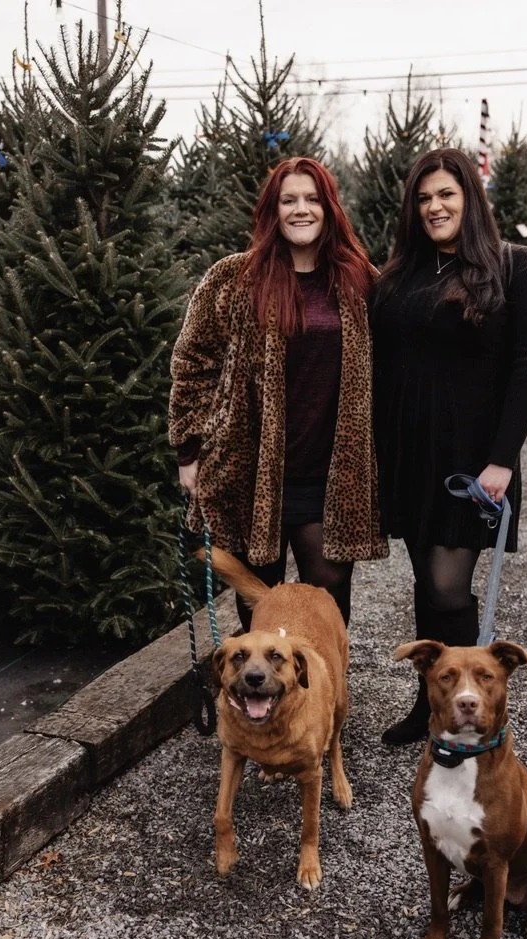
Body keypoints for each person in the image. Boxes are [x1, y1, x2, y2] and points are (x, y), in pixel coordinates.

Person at [372, 148, 527, 745]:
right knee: (426, 583)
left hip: (473, 461)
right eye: (424, 198)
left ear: (470, 200)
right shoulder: (401, 274)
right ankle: (432, 706)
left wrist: (502, 459)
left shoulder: (516, 268)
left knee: (449, 586)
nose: (434, 207)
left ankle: (470, 708)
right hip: (409, 454)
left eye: (446, 195)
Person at [168, 157, 387, 630]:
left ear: (329, 209)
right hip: (250, 476)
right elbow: (192, 361)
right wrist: (189, 451)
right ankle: (262, 706)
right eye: (289, 200)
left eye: (312, 199)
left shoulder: (359, 280)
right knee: (258, 609)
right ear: (274, 210)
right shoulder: (234, 278)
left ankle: (326, 701)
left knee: (326, 609)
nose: (301, 210)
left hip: (330, 480)